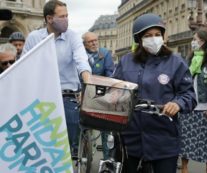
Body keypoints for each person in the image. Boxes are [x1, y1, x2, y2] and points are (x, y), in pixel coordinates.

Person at [112, 13, 196, 173]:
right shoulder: (126, 61)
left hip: (164, 139)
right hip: (131, 139)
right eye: (148, 35)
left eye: (158, 34)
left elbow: (189, 96)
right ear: (139, 39)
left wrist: (177, 103)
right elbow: (114, 89)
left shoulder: (176, 62)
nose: (154, 39)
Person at [22, 0, 91, 157]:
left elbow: (82, 60)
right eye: (62, 16)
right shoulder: (34, 38)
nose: (66, 19)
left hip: (67, 96)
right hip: (41, 98)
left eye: (67, 15)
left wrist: (87, 80)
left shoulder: (73, 36)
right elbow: (24, 66)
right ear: (49, 19)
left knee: (67, 143)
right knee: (42, 143)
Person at [179, 30, 207, 173]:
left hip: (205, 106)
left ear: (203, 42)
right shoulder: (188, 60)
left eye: (195, 39)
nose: (192, 42)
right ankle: (184, 168)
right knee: (185, 140)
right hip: (188, 105)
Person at [82, 31, 115, 159]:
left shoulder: (105, 53)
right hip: (83, 91)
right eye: (91, 41)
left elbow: (110, 73)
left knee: (105, 126)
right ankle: (82, 152)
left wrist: (107, 91)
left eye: (96, 40)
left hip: (101, 91)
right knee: (82, 123)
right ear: (84, 44)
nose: (94, 43)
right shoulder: (81, 54)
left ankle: (106, 158)